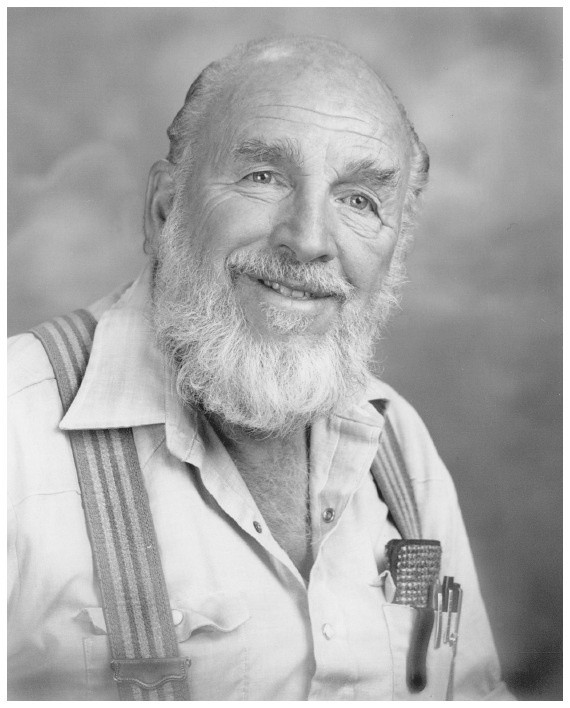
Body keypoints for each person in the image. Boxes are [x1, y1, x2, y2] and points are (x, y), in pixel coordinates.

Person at [8, 36, 514, 700]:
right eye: (263, 176)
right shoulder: (12, 430)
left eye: (360, 200)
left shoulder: (399, 443)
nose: (307, 240)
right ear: (165, 209)